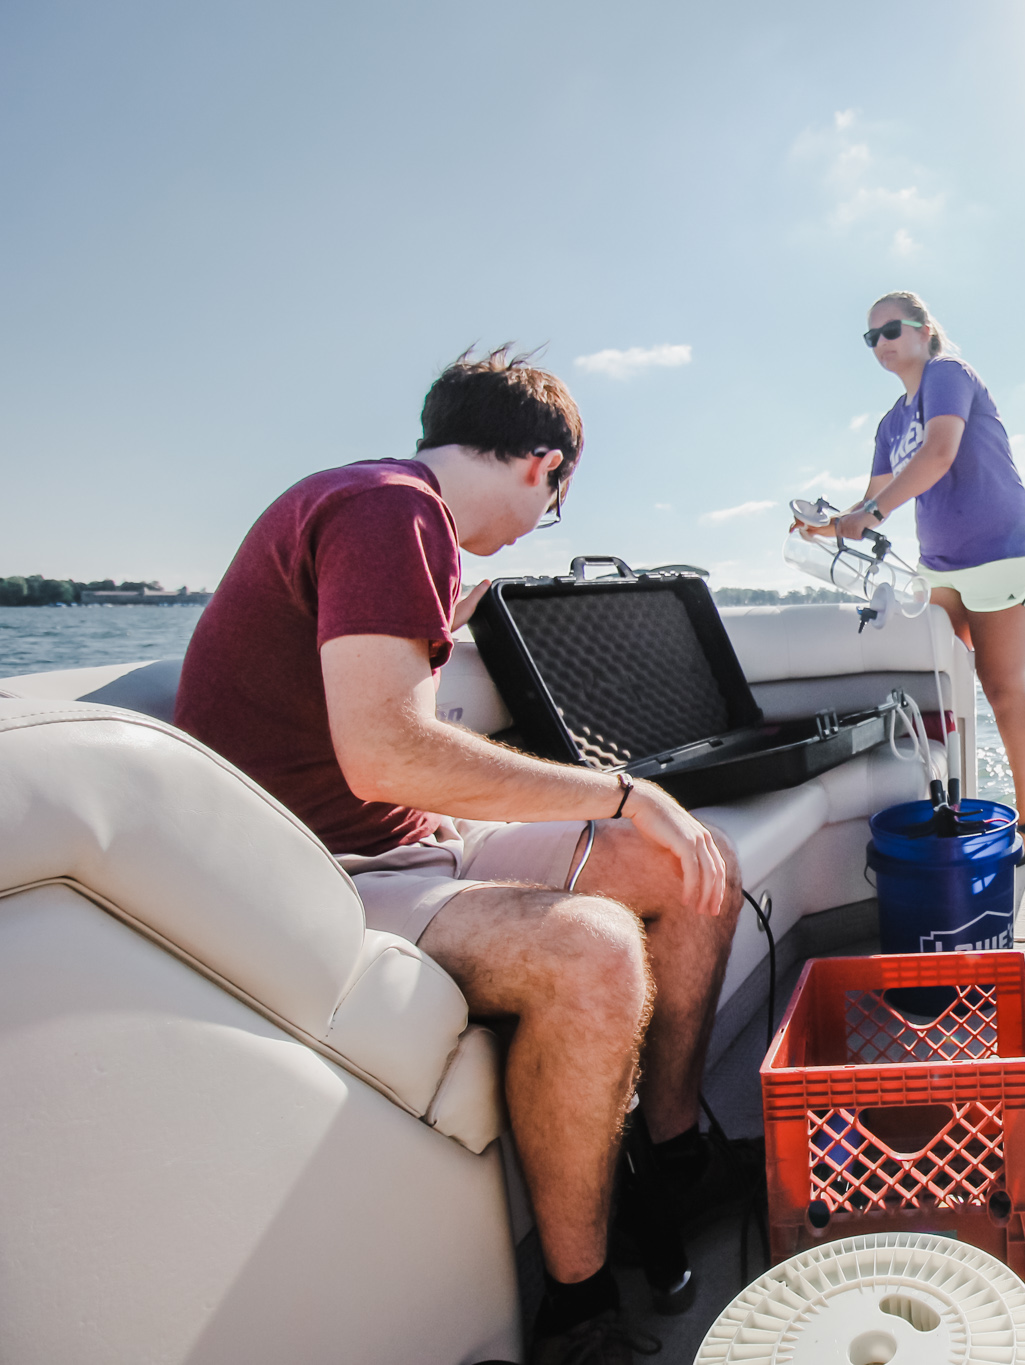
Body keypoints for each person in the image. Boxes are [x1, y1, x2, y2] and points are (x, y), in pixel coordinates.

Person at [175, 348, 739, 1364]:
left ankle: (676, 1150)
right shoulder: (393, 515)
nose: (541, 519)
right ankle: (576, 1305)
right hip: (321, 876)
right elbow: (386, 753)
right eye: (554, 500)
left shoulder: (379, 509)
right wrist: (626, 791)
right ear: (543, 467)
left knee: (695, 868)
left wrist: (456, 602)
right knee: (597, 949)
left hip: (399, 844)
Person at [816, 290, 1025, 860]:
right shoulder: (889, 424)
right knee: (938, 689)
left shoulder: (948, 373)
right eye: (871, 337)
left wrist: (870, 514)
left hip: (1001, 553)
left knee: (1001, 688)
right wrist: (825, 526)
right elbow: (870, 499)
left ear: (923, 330)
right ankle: (953, 813)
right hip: (939, 566)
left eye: (891, 330)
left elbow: (941, 453)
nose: (882, 344)